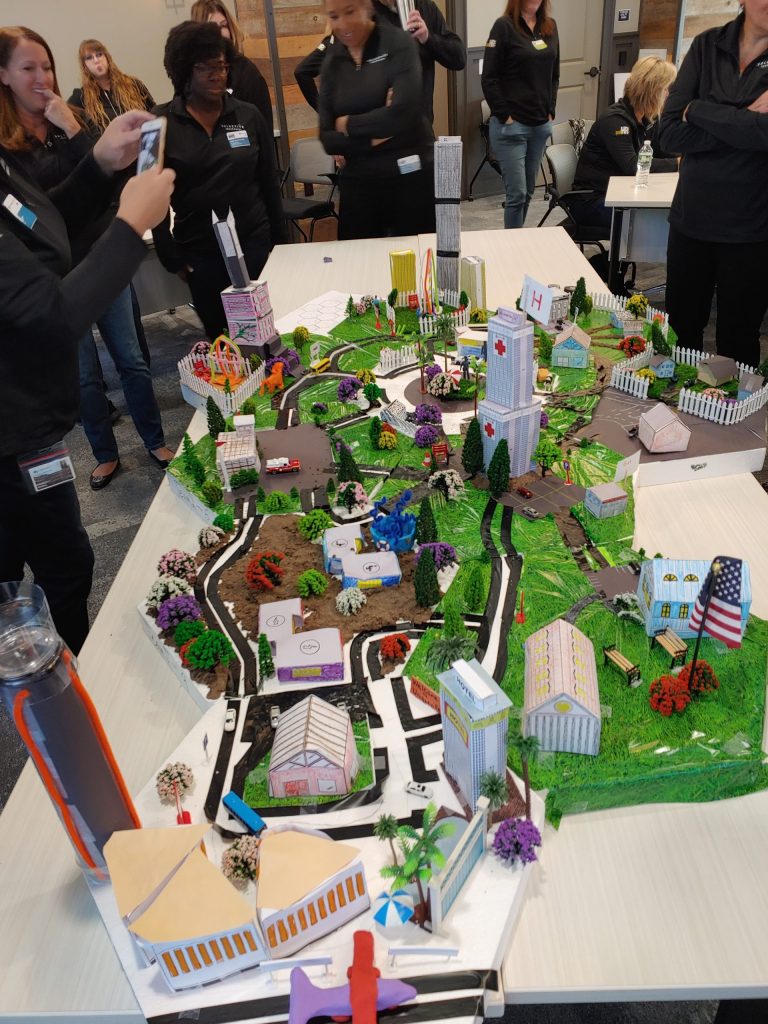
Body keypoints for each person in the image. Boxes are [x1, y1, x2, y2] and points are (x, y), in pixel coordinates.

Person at [0, 108, 175, 653]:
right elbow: (54, 317)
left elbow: (39, 229)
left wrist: (99, 166)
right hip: (9, 435)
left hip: (33, 427)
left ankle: (81, 667)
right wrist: (129, 229)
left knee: (69, 564)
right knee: (13, 591)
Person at [0, 27, 175, 490]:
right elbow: (44, 226)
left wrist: (85, 142)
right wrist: (132, 225)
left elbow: (85, 189)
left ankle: (155, 440)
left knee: (133, 360)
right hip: (60, 282)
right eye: (28, 68)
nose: (41, 77)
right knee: (84, 376)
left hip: (103, 259)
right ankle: (104, 454)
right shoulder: (8, 148)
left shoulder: (68, 118)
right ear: (3, 76)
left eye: (47, 66)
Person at [152, 20, 284, 340]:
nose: (218, 74)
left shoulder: (249, 115)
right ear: (183, 71)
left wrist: (280, 246)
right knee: (223, 342)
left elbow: (269, 183)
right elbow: (150, 196)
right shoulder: (158, 123)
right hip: (200, 255)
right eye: (206, 67)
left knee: (266, 335)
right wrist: (171, 257)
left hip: (253, 244)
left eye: (222, 65)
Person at [658, 0, 768, 368]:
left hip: (751, 231)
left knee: (737, 340)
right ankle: (673, 417)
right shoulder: (706, 46)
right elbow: (669, 133)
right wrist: (745, 120)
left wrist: (700, 111)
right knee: (680, 332)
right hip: (692, 221)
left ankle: (735, 425)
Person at [69, 37, 155, 367]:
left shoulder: (132, 85)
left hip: (144, 172)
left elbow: (153, 124)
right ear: (84, 65)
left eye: (99, 54)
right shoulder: (79, 100)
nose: (97, 61)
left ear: (108, 55)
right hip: (114, 186)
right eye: (89, 58)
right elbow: (88, 151)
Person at [318, 0, 436, 240]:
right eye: (334, 16)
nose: (343, 24)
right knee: (359, 268)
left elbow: (403, 114)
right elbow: (328, 139)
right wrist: (375, 137)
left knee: (415, 267)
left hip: (409, 181)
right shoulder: (334, 60)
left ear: (367, 7)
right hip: (358, 187)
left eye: (350, 12)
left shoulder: (398, 44)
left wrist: (347, 124)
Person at [297, 0, 465, 126]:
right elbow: (304, 71)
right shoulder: (363, 13)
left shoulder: (424, 8)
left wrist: (428, 38)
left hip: (419, 133)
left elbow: (458, 59)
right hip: (374, 141)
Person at [570, 57, 678, 237]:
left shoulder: (647, 118)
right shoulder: (615, 121)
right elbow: (632, 165)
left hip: (621, 194)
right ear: (652, 91)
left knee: (670, 215)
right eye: (665, 89)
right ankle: (606, 264)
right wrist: (678, 164)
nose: (667, 94)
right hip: (591, 200)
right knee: (652, 223)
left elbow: (664, 151)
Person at [481, 0, 559, 229]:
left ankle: (517, 241)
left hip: (539, 125)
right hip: (511, 128)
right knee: (517, 195)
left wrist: (551, 109)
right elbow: (489, 78)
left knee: (528, 193)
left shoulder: (550, 27)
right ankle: (511, 250)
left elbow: (555, 75)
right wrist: (505, 115)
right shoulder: (504, 27)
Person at [190, 0, 274, 132]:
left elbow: (264, 132)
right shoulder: (189, 76)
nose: (221, 33)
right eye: (212, 27)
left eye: (224, 26)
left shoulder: (247, 73)